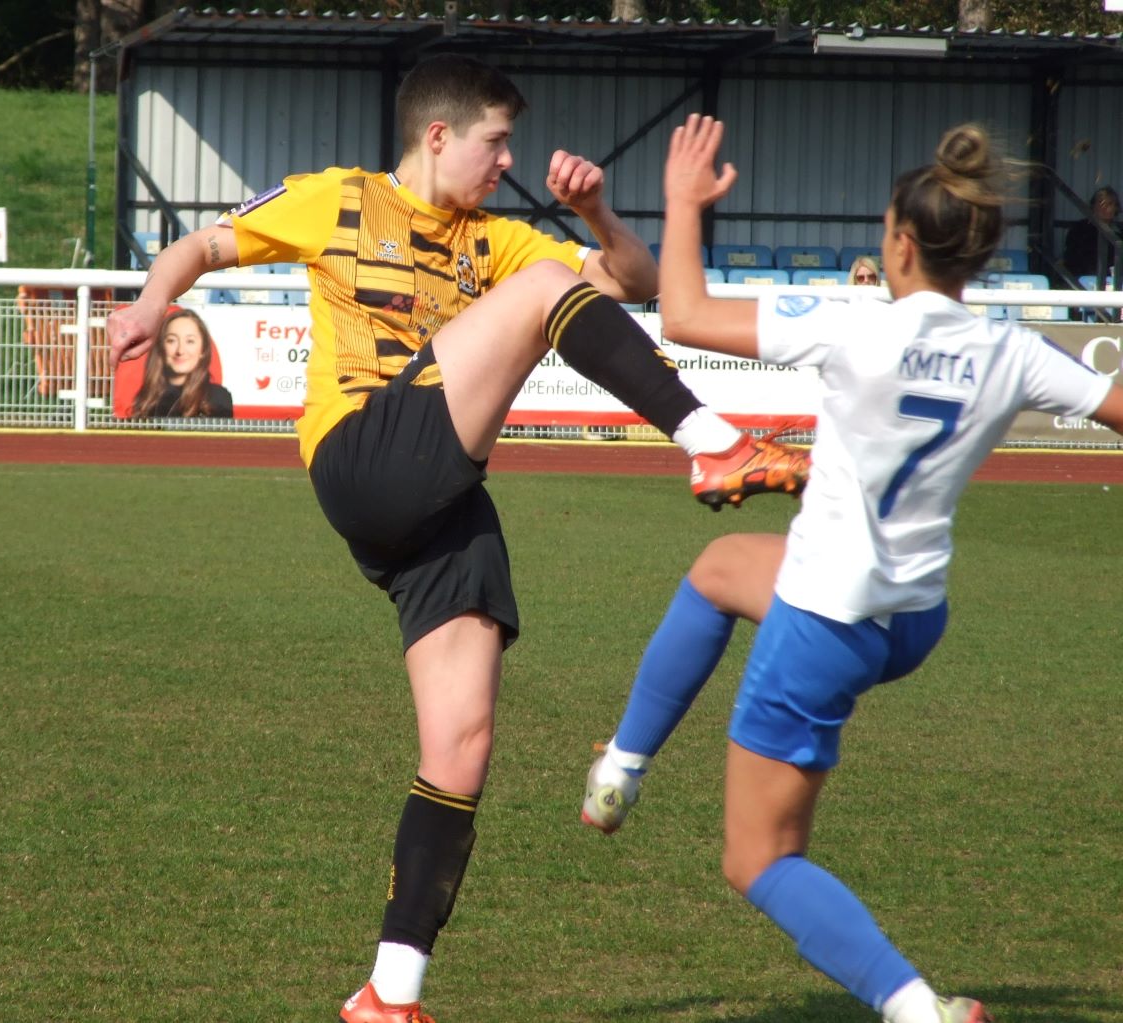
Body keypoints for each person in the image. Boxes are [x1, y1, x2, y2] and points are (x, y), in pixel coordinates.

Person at [107, 56, 808, 1023]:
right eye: (495, 141)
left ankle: (387, 996)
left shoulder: (495, 239)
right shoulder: (338, 199)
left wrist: (601, 214)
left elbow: (633, 285)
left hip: (441, 499)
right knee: (537, 295)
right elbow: (202, 249)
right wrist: (151, 302)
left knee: (463, 744)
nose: (507, 160)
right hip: (361, 453)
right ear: (439, 136)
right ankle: (712, 441)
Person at [581, 115, 1123, 1023]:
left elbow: (681, 315)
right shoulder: (1016, 349)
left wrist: (682, 203)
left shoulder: (852, 328)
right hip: (910, 619)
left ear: (901, 242)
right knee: (721, 567)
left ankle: (915, 1009)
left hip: (827, 622)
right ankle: (621, 767)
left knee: (758, 860)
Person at [131, 307, 234, 418]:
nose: (180, 350)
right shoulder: (147, 397)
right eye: (171, 340)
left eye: (190, 341)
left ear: (203, 350)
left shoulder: (218, 398)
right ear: (161, 348)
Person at [1062, 185, 1119, 279]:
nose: (1105, 207)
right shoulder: (1079, 229)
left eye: (1110, 204)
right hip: (1083, 281)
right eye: (1101, 203)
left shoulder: (1119, 233)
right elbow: (1072, 260)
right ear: (1093, 206)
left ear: (1116, 208)